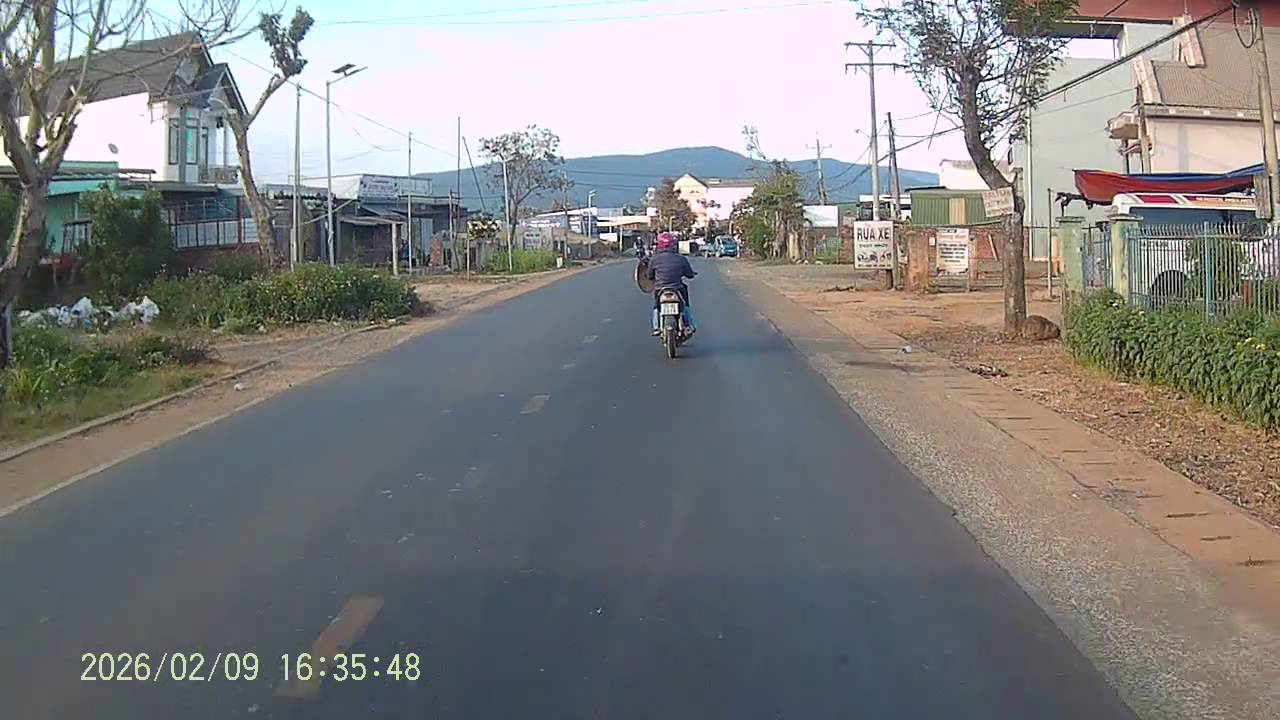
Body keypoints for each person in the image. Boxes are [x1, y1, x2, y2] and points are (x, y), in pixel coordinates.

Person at [646, 232, 696, 335]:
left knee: (656, 306)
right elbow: (690, 274)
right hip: (677, 287)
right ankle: (690, 324)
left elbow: (650, 276)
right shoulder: (681, 258)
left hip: (660, 288)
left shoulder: (654, 259)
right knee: (685, 304)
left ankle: (656, 327)